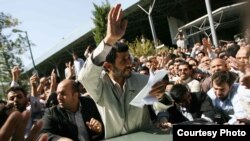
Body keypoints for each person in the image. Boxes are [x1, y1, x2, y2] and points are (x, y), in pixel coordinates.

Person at [78, 4, 167, 139]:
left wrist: (160, 96)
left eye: (129, 58)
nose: (130, 63)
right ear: (108, 66)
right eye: (123, 60)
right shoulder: (99, 87)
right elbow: (85, 76)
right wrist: (109, 40)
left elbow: (159, 107)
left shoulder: (143, 80)